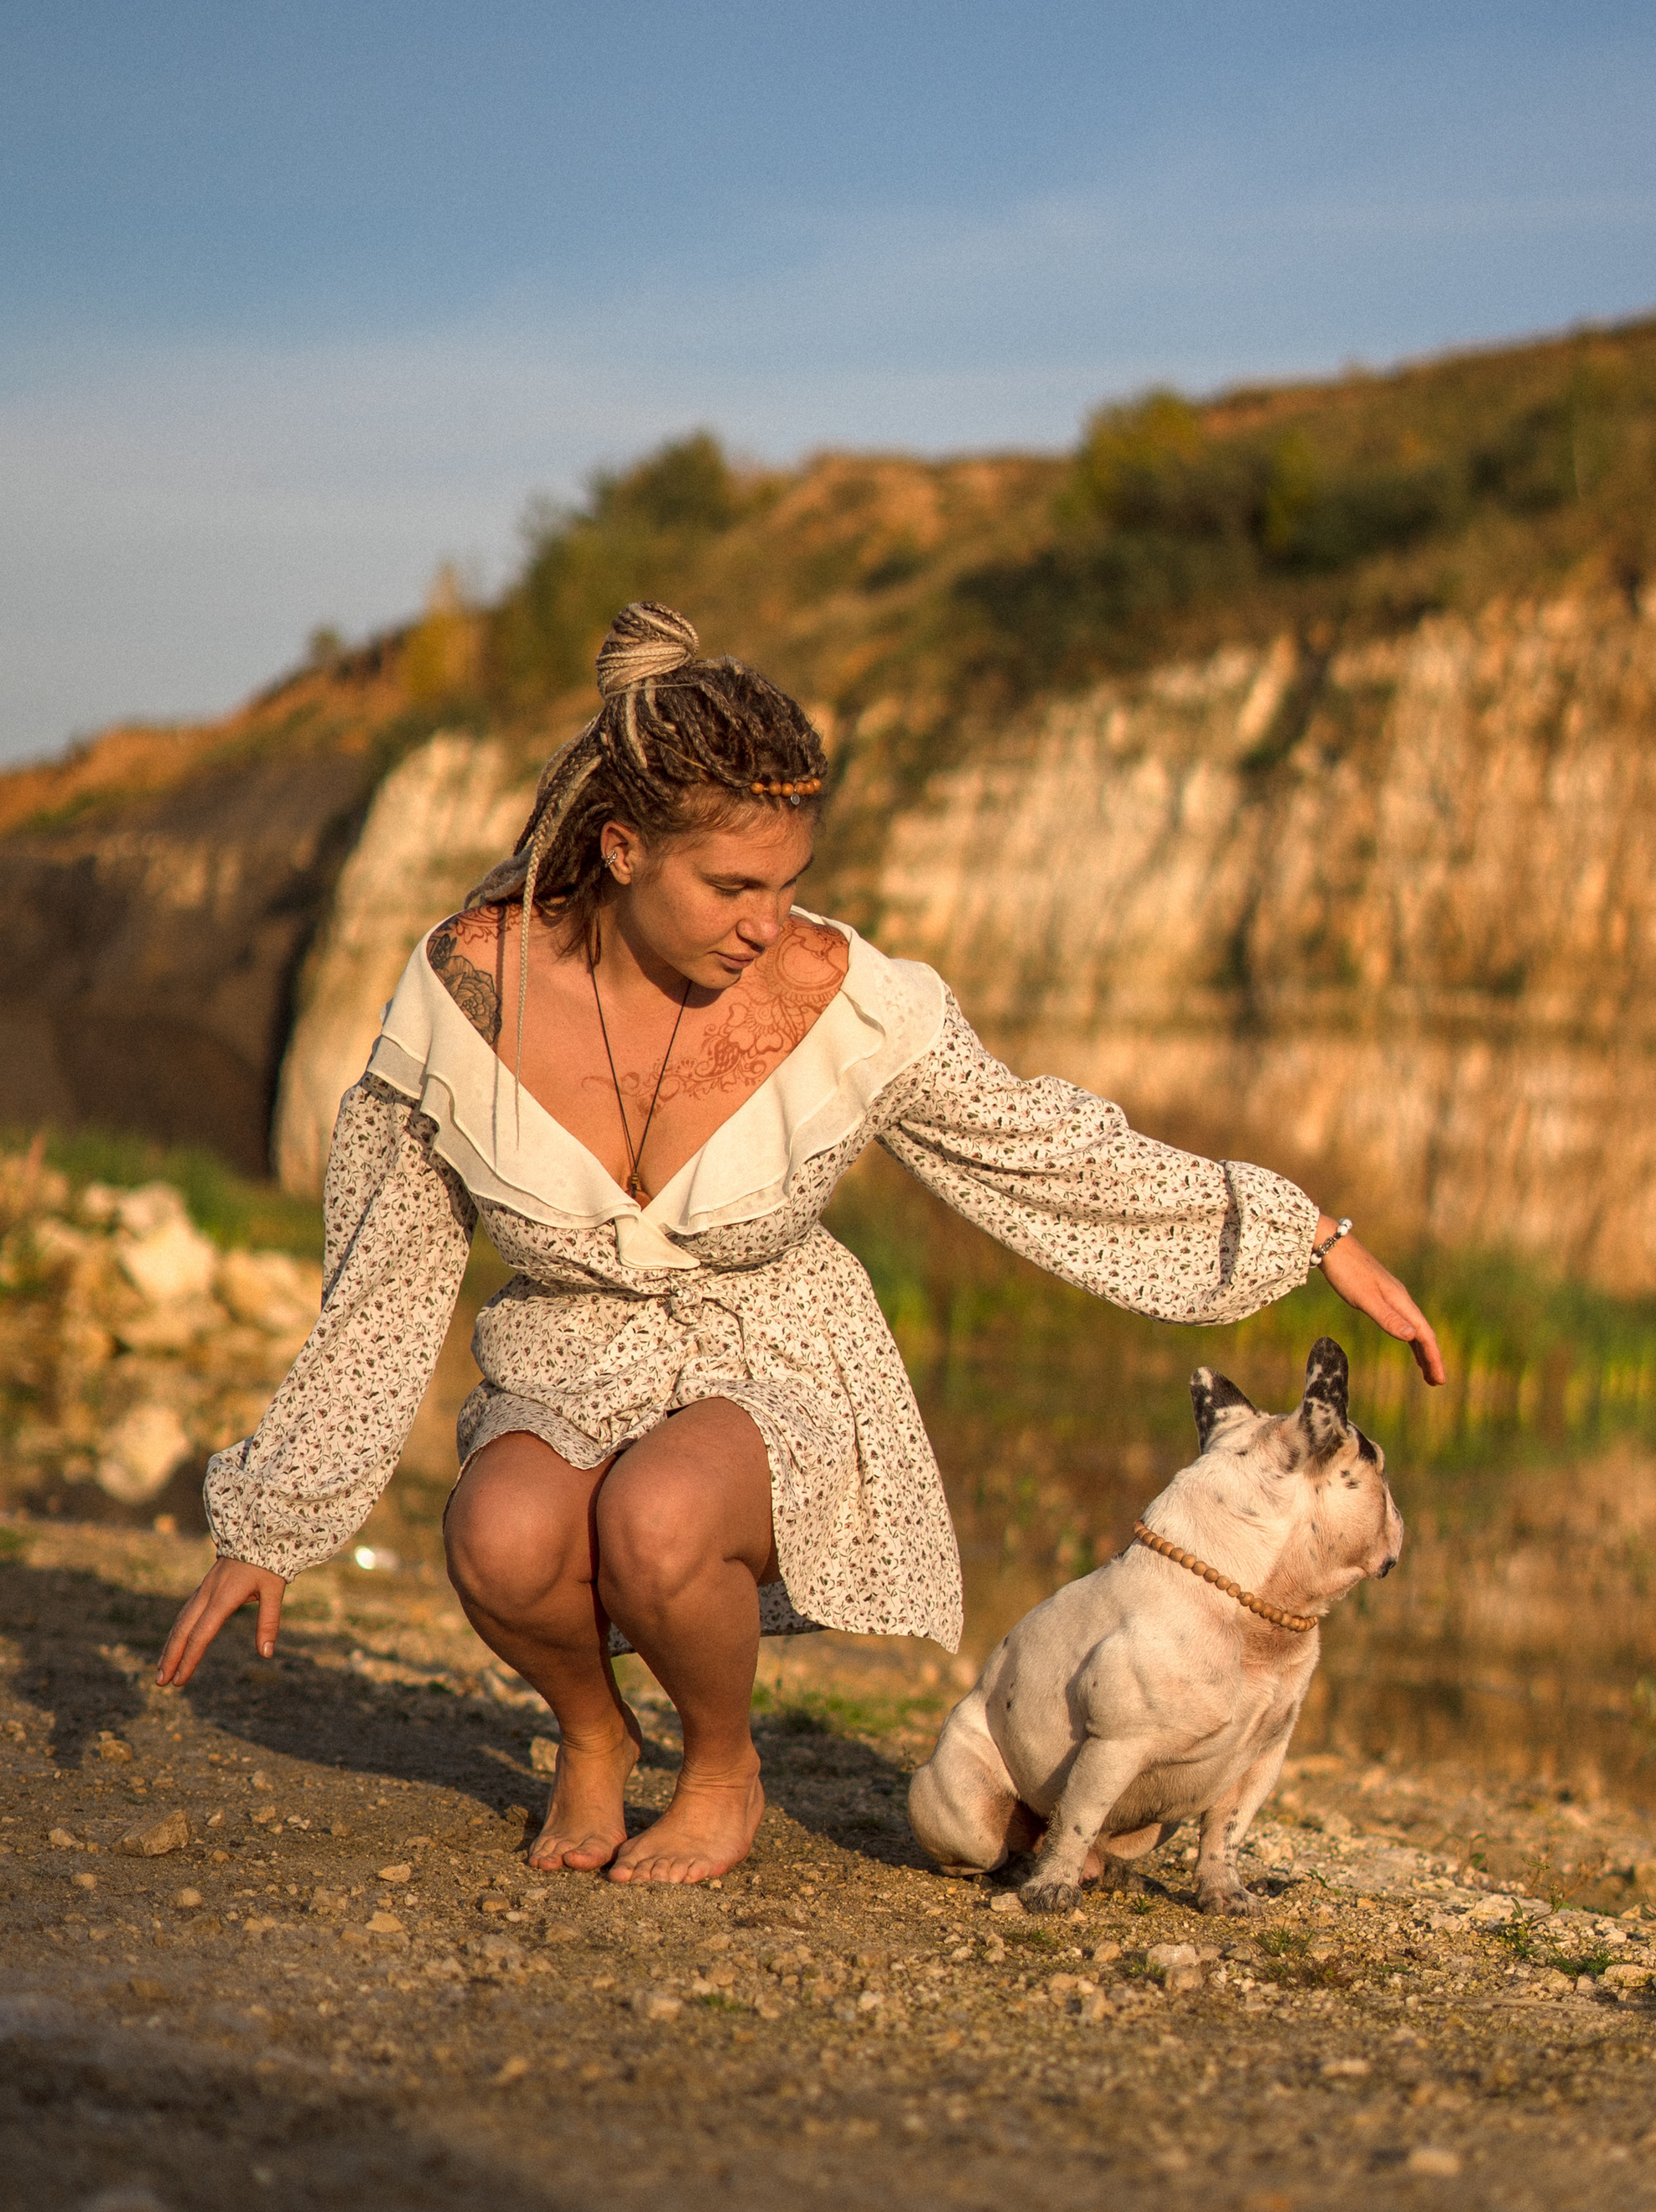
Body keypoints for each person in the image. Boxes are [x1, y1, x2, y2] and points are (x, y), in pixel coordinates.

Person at [156, 600, 1443, 1885]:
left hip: (773, 1362)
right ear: (618, 848)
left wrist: (1304, 1235)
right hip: (562, 1362)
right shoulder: (464, 990)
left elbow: (1044, 1148)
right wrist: (271, 1519)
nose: (768, 922)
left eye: (788, 883)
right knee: (500, 1537)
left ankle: (723, 1769)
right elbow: (385, 1273)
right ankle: (594, 1739)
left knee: (658, 1522)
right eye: (732, 886)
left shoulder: (847, 1002)